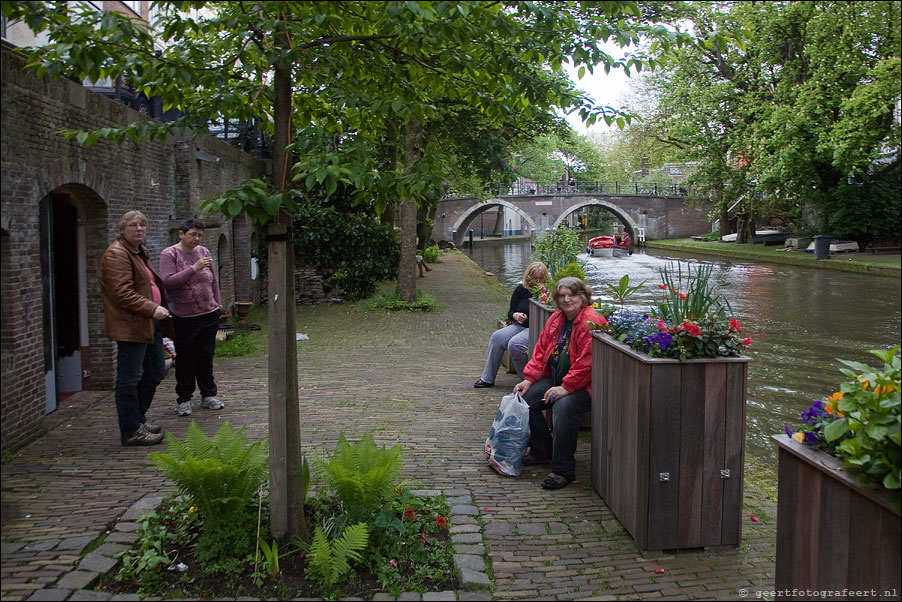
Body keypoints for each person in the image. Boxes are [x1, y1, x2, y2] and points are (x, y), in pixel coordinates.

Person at [513, 277, 595, 490]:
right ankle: (543, 451)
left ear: (583, 296)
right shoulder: (557, 319)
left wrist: (566, 388)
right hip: (559, 379)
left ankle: (563, 469)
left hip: (585, 386)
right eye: (562, 295)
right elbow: (540, 352)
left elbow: (587, 363)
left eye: (572, 294)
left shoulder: (591, 321)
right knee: (524, 400)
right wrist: (529, 379)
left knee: (563, 407)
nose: (567, 299)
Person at [100, 210, 172, 446]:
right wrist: (152, 308)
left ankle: (137, 419)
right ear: (123, 229)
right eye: (133, 225)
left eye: (143, 224)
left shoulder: (138, 251)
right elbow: (122, 293)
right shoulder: (117, 254)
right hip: (131, 325)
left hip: (149, 322)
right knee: (129, 379)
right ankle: (131, 430)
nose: (139, 229)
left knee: (156, 371)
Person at [159, 218, 225, 417]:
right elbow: (168, 282)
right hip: (184, 316)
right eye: (192, 234)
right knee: (186, 358)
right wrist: (193, 268)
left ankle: (209, 395)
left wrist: (218, 305)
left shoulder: (204, 252)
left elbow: (213, 280)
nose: (197, 239)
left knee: (206, 356)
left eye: (200, 235)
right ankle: (184, 398)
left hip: (208, 314)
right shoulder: (169, 254)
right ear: (181, 234)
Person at [474, 261, 550, 388]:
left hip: (536, 327)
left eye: (540, 279)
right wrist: (516, 315)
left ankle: (526, 381)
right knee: (497, 337)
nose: (537, 282)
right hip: (519, 325)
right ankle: (487, 378)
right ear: (528, 277)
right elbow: (511, 312)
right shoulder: (521, 289)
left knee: (515, 344)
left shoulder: (547, 293)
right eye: (534, 278)